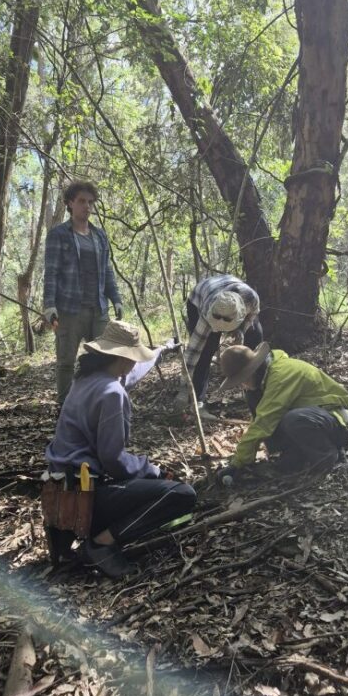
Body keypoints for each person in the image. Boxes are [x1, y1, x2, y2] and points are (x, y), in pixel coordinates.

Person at [45, 320, 196, 578]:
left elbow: (133, 374)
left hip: (62, 490)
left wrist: (162, 350)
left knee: (152, 485)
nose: (136, 363)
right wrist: (151, 469)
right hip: (89, 493)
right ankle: (102, 542)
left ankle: (81, 537)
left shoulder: (85, 380)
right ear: (125, 359)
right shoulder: (113, 393)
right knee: (183, 495)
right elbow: (113, 460)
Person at [215, 343, 348, 484]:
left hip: (338, 423)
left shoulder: (281, 376)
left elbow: (264, 422)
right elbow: (262, 417)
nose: (242, 385)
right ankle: (294, 455)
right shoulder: (269, 375)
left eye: (242, 380)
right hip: (316, 419)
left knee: (294, 419)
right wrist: (242, 459)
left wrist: (237, 463)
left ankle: (326, 457)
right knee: (255, 399)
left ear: (253, 371)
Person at [44, 180, 124, 403]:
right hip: (69, 310)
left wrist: (115, 298)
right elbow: (51, 272)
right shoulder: (58, 234)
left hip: (98, 308)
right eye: (81, 201)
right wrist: (49, 305)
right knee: (66, 363)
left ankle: (100, 404)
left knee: (104, 359)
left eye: (90, 202)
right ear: (70, 203)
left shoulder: (99, 236)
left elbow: (107, 270)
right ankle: (65, 411)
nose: (87, 206)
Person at [179, 274, 263, 410]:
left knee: (255, 336)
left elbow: (251, 318)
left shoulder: (251, 299)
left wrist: (240, 331)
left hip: (227, 288)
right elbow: (193, 352)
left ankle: (256, 387)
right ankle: (198, 400)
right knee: (205, 351)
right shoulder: (208, 312)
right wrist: (183, 389)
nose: (221, 327)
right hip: (199, 297)